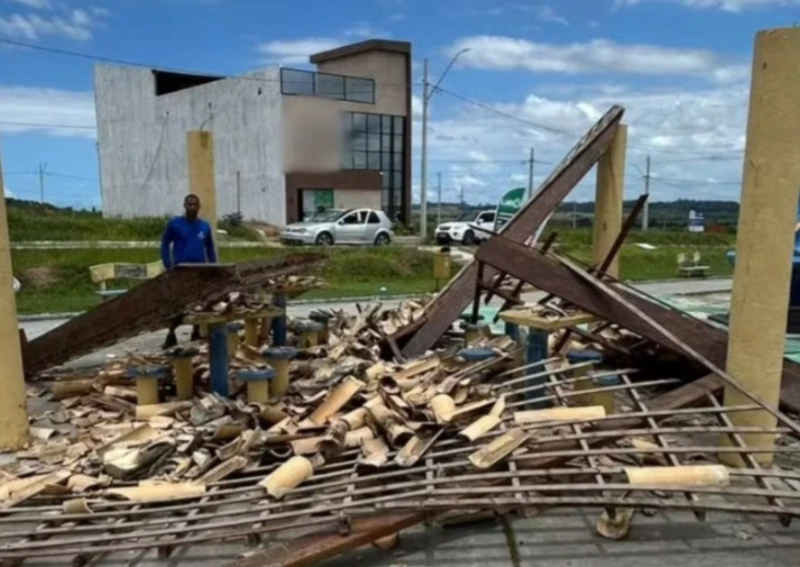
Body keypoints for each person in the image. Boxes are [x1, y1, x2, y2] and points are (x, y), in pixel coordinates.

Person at [160, 194, 218, 349]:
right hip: (181, 271)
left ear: (199, 207)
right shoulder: (175, 224)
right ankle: (171, 334)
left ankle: (196, 331)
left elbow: (210, 248)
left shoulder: (204, 226)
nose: (192, 207)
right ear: (184, 206)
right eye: (189, 204)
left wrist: (214, 267)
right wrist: (168, 264)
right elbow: (165, 243)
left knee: (199, 303)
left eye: (195, 205)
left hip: (200, 270)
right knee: (178, 305)